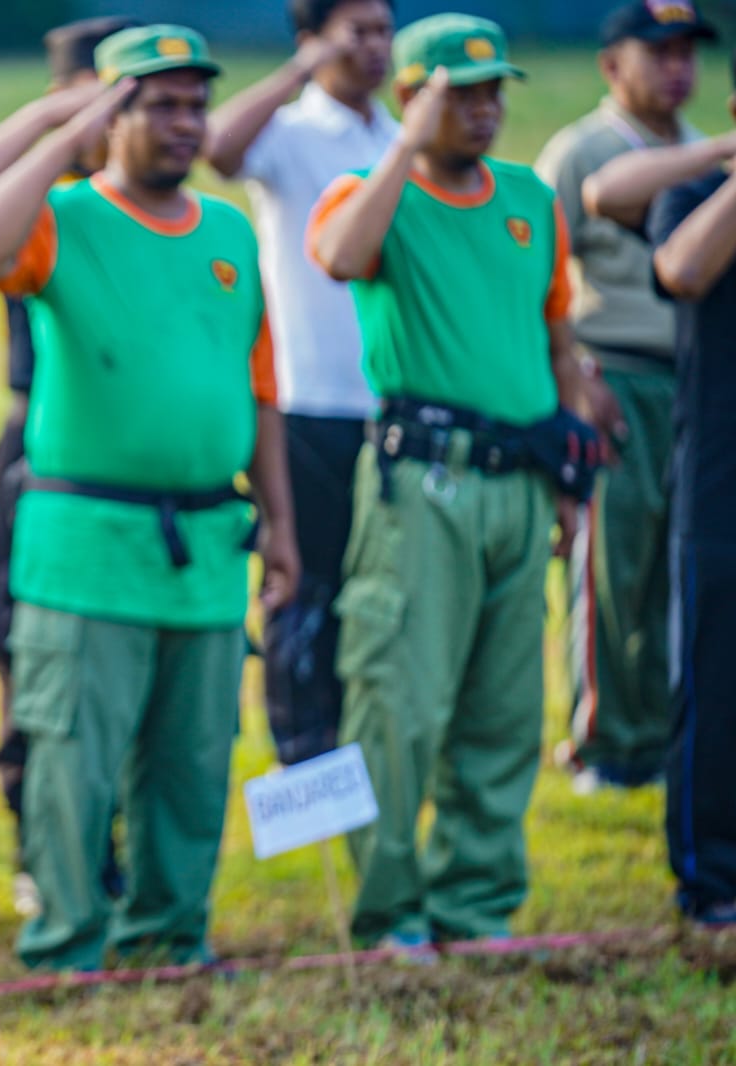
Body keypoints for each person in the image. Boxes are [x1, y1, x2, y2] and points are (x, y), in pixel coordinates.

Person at [0, 24, 299, 971]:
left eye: (196, 105)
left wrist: (281, 522)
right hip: (86, 541)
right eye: (160, 105)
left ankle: (172, 934)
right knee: (75, 758)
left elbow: (260, 390)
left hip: (208, 542)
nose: (187, 123)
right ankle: (67, 942)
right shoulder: (62, 215)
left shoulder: (230, 231)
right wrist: (69, 132)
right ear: (112, 115)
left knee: (194, 756)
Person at [309, 14, 594, 952]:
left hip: (521, 482)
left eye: (493, 91)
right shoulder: (371, 192)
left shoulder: (529, 200)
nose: (483, 110)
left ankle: (476, 903)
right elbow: (341, 258)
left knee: (504, 709)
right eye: (458, 94)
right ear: (410, 98)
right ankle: (389, 910)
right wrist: (406, 144)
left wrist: (570, 476)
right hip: (424, 484)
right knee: (399, 701)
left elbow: (556, 340)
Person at [0, 15, 136, 916]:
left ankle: (117, 849)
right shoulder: (35, 198)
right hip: (43, 444)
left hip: (137, 455)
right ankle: (39, 844)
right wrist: (55, 122)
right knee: (25, 647)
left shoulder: (149, 195)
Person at [203, 0, 397, 767]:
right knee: (304, 585)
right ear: (313, 37)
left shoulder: (398, 139)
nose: (374, 46)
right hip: (306, 399)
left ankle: (361, 740)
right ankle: (304, 756)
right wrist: (300, 69)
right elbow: (219, 149)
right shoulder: (290, 132)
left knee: (373, 588)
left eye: (383, 30)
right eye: (356, 31)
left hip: (389, 403)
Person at [534, 0, 717, 793]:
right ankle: (606, 743)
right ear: (612, 65)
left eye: (687, 53)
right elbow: (538, 278)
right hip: (613, 376)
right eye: (659, 52)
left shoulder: (702, 153)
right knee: (614, 565)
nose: (677, 68)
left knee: (684, 565)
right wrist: (572, 380)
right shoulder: (584, 150)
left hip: (696, 383)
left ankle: (668, 734)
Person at [642, 66, 736, 930]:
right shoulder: (697, 199)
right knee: (716, 682)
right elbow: (682, 269)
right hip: (720, 487)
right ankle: (712, 881)